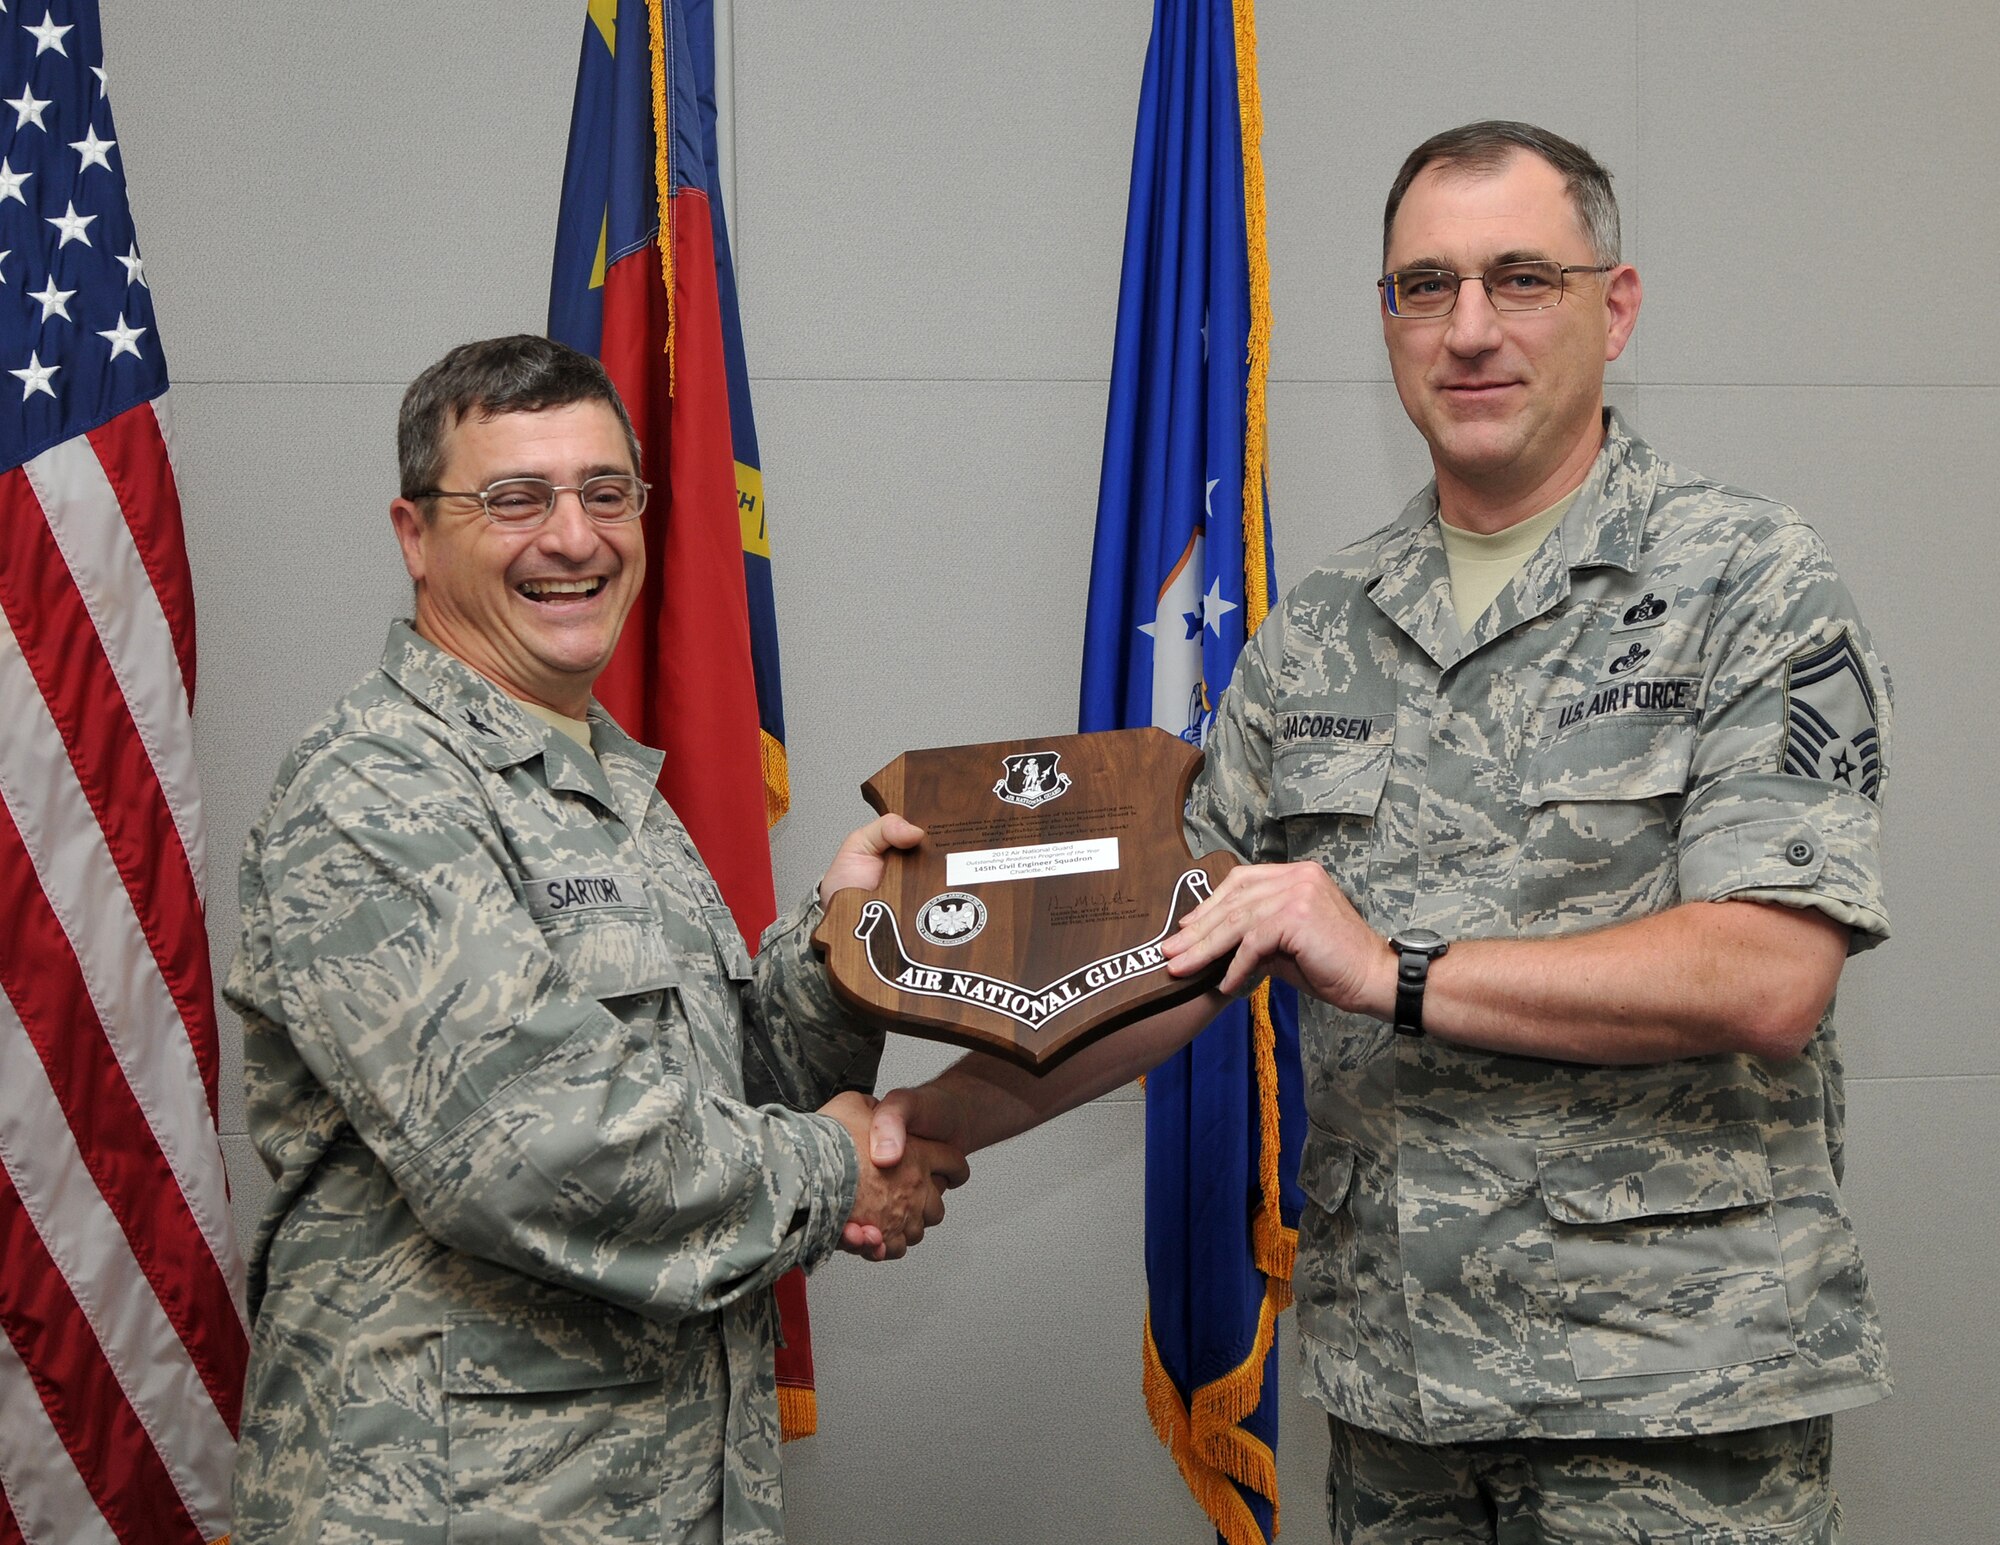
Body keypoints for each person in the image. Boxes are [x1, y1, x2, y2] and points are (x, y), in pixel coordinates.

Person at [868, 122, 1891, 1542]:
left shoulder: (1753, 583)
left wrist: (1392, 968)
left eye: (1520, 278)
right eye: (1425, 287)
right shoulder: (1315, 639)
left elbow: (1770, 975)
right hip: (1400, 1407)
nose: (1469, 329)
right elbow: (1174, 958)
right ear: (1389, 322)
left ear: (1617, 304)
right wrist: (927, 1122)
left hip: (1670, 1405)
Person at [227, 334, 966, 1545]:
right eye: (513, 498)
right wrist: (841, 1171)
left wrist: (839, 949)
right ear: (416, 536)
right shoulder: (375, 791)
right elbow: (534, 1152)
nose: (572, 539)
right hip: (449, 1510)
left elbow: (705, 1089)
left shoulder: (602, 780)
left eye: (604, 493)